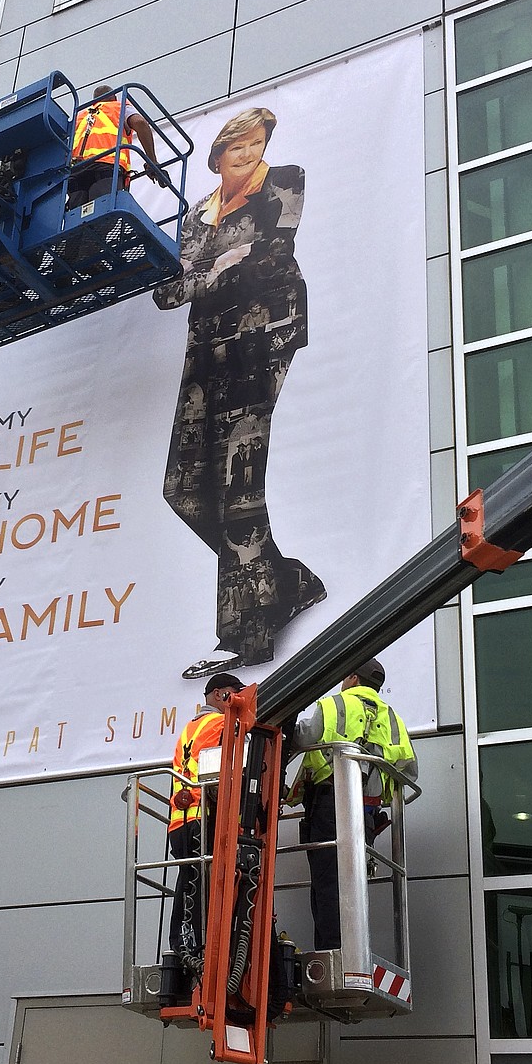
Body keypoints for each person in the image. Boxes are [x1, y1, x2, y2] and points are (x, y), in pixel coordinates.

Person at [153, 106, 325, 679]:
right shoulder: (197, 218)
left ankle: (249, 638)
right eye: (237, 148)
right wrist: (216, 266)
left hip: (263, 334)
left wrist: (211, 271)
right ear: (217, 158)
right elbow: (168, 294)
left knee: (238, 487)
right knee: (183, 490)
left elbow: (269, 256)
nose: (249, 155)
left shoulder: (285, 181)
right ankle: (288, 581)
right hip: (206, 349)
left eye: (256, 143)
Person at [287, 657, 417, 951]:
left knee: (328, 884)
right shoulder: (392, 718)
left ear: (353, 678)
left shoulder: (334, 705)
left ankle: (335, 953)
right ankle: (350, 950)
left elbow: (300, 738)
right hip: (367, 812)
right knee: (353, 883)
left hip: (331, 806)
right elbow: (409, 771)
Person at [168, 671, 245, 969]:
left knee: (188, 882)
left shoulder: (190, 728)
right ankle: (196, 949)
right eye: (231, 693)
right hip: (203, 818)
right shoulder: (221, 724)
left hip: (181, 822)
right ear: (217, 695)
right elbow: (225, 771)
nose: (235, 698)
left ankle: (181, 944)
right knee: (202, 888)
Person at [67, 84, 162, 208]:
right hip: (106, 167)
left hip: (76, 173)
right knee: (101, 214)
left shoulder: (80, 117)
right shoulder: (120, 107)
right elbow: (140, 123)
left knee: (77, 219)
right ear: (114, 97)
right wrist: (152, 162)